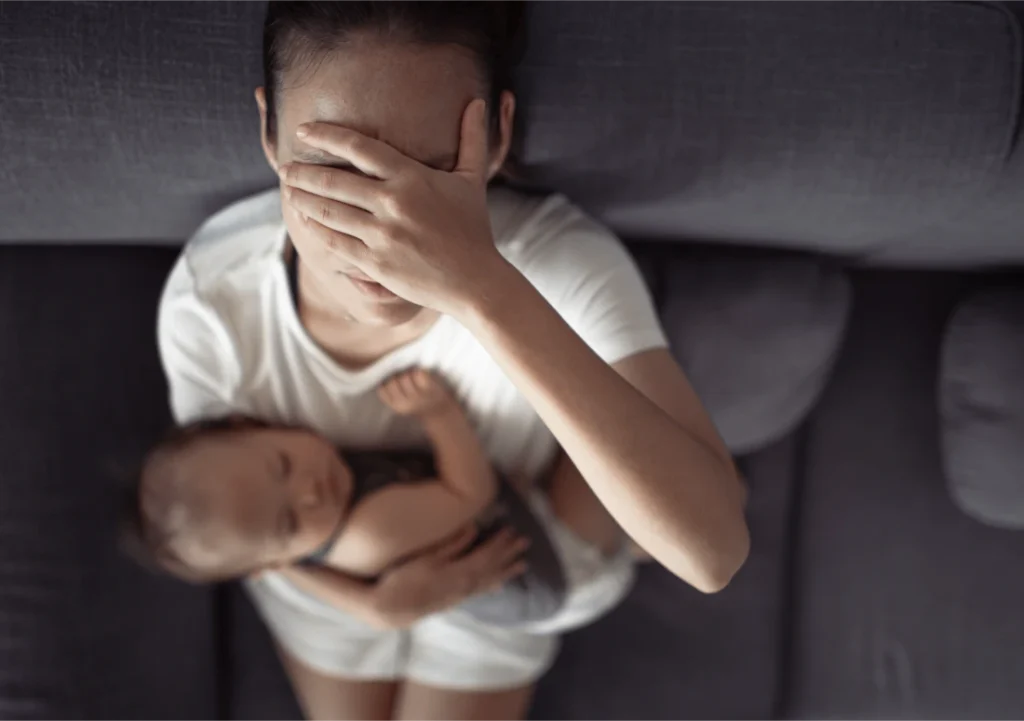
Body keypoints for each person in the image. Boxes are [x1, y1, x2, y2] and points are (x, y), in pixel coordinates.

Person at [158, 0, 750, 719]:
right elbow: (244, 532)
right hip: (330, 584)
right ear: (270, 135)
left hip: (504, 560)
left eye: (429, 172)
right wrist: (370, 603)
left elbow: (711, 552)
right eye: (332, 172)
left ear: (496, 137)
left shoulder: (556, 266)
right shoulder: (212, 307)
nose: (385, 229)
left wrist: (481, 287)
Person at [127, 368, 568, 626]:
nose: (310, 493)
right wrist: (439, 414)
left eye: (283, 466)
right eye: (289, 523)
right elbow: (472, 492)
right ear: (275, 561)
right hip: (547, 565)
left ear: (252, 424)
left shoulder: (283, 553)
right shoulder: (369, 533)